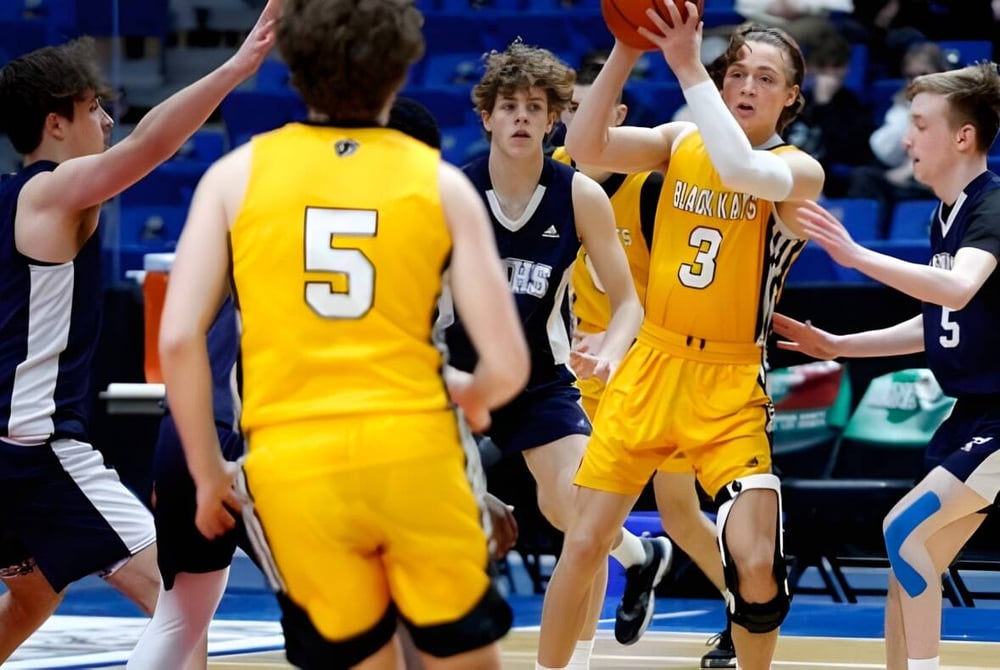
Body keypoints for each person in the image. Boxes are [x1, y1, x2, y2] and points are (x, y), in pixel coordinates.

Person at [158, 0, 529, 668]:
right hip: (412, 452)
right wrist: (473, 395)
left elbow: (180, 340)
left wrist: (208, 470)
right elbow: (507, 364)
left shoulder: (233, 176)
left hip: (294, 467)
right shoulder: (442, 184)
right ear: (401, 70)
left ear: (293, 72)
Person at [539, 6, 825, 669]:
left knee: (755, 564)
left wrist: (690, 64)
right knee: (583, 543)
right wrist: (624, 49)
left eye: (765, 77)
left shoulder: (797, 170)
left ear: (790, 99)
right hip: (652, 364)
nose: (748, 85)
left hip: (728, 383)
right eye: (739, 74)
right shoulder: (676, 140)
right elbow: (587, 149)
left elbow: (742, 175)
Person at [0, 2, 281, 663]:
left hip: (8, 450)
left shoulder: (14, 199)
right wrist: (237, 68)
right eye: (94, 108)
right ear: (55, 123)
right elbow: (151, 147)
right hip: (36, 453)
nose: (105, 121)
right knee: (181, 609)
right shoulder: (52, 192)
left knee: (34, 598)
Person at [773, 62, 1000, 670]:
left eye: (919, 124)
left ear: (962, 137)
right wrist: (841, 346)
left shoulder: (993, 208)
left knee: (902, 533)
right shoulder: (944, 216)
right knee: (910, 563)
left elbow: (957, 290)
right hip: (970, 416)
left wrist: (854, 255)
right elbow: (937, 323)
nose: (905, 138)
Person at [439, 41, 650, 669]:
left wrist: (611, 349)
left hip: (541, 380)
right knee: (445, 531)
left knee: (578, 518)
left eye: (535, 106)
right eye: (509, 106)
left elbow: (629, 301)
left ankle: (575, 660)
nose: (522, 117)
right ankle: (643, 557)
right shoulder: (452, 192)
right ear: (487, 116)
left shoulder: (581, 195)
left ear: (555, 118)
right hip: (454, 378)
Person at [555, 61, 735, 668]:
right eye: (568, 109)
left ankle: (745, 610)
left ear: (619, 118)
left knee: (682, 515)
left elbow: (688, 292)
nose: (574, 119)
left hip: (656, 367)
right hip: (584, 370)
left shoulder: (653, 190)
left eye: (588, 107)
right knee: (580, 524)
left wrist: (626, 342)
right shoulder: (553, 180)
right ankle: (635, 564)